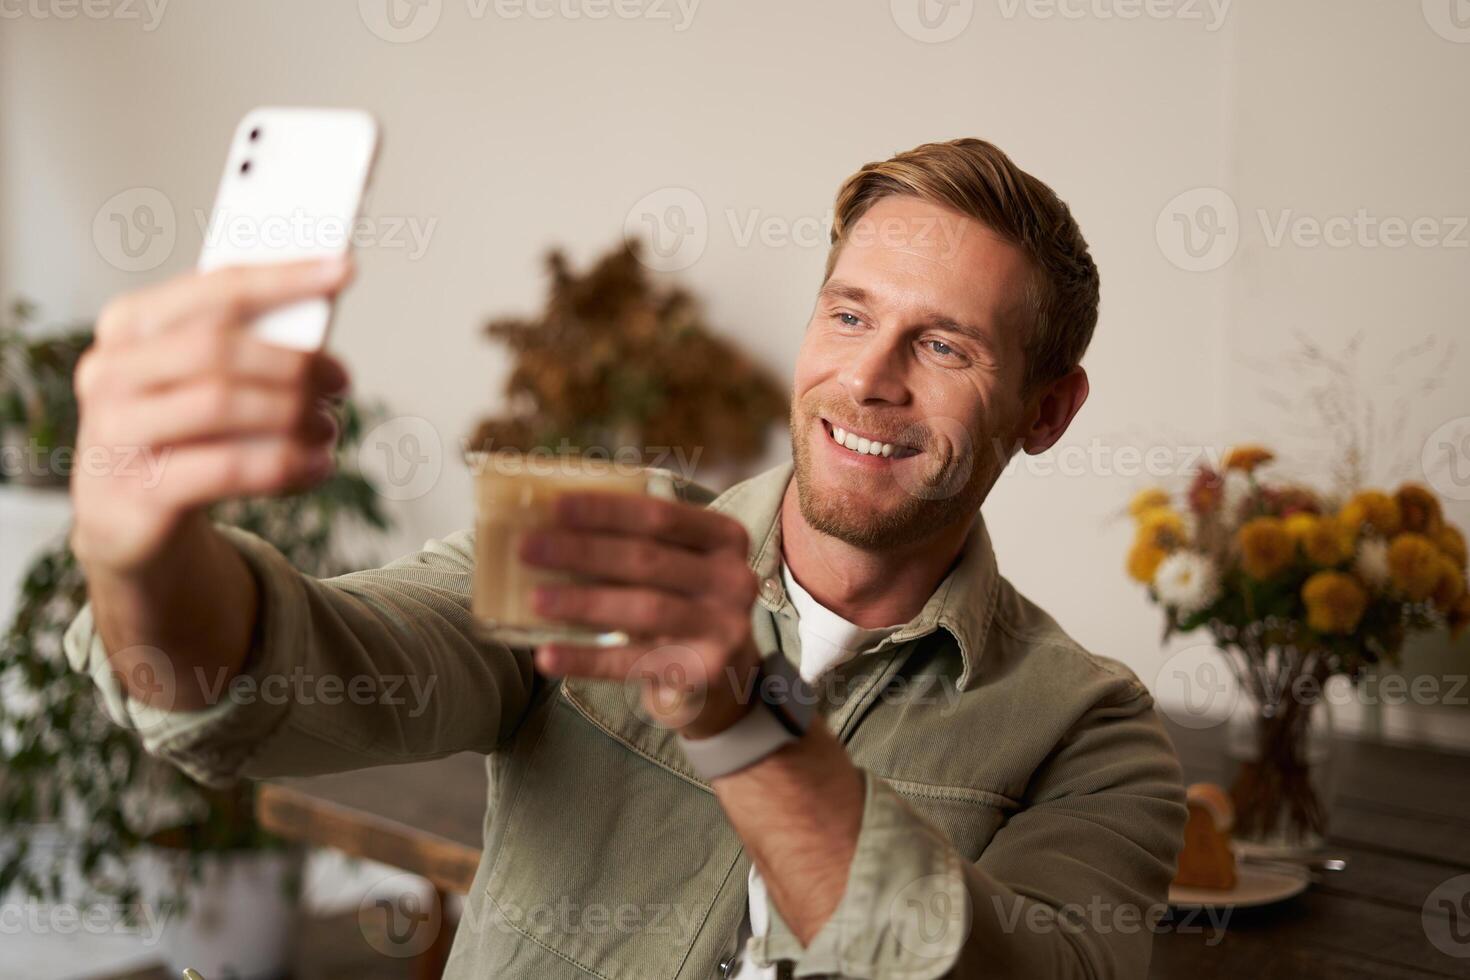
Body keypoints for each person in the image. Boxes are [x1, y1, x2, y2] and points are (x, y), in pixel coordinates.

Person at [65, 137, 1186, 979]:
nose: (868, 377)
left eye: (942, 344)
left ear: (1047, 409)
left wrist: (744, 716)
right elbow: (273, 683)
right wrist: (140, 550)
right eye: (847, 315)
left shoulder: (1092, 728)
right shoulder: (605, 537)